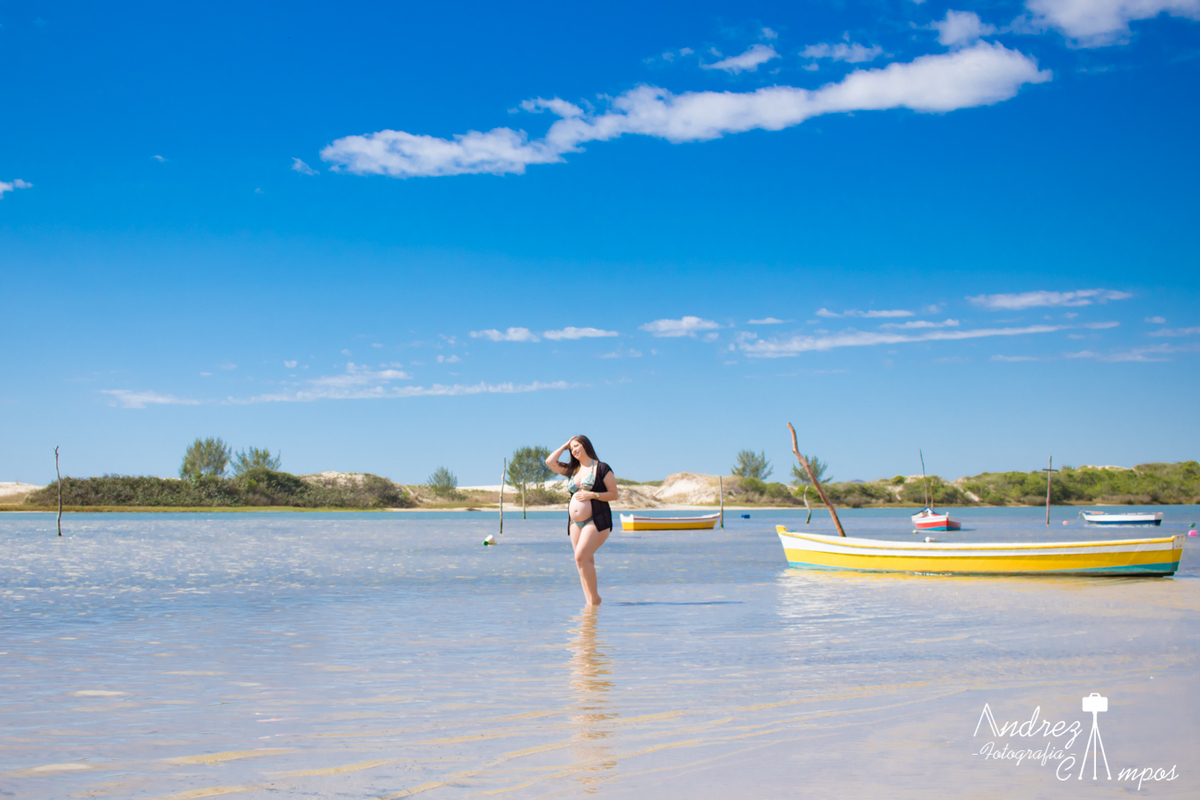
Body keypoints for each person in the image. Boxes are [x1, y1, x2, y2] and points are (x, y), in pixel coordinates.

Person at [546, 435, 618, 606]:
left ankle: (595, 598)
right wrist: (565, 445)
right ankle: (590, 605)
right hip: (575, 523)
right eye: (571, 448)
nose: (574, 450)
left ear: (585, 445)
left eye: (577, 446)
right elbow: (550, 462)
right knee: (583, 562)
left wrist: (592, 495)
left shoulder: (602, 468)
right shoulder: (573, 469)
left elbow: (614, 494)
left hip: (596, 519)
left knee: (580, 558)